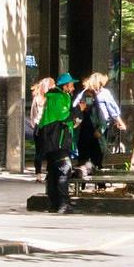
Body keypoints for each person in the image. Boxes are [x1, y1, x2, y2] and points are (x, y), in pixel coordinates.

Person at [33, 77, 77, 210]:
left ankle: (54, 204)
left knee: (53, 171)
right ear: (65, 86)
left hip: (52, 140)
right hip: (58, 140)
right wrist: (75, 114)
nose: (73, 88)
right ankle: (63, 204)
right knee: (64, 169)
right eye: (71, 85)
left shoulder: (56, 96)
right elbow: (63, 115)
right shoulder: (59, 97)